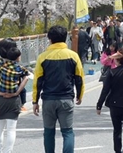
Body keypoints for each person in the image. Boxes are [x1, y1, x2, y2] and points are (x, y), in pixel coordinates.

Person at [32, 25, 85, 153]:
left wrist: (35, 101)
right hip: (66, 98)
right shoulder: (73, 56)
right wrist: (79, 95)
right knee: (67, 132)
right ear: (65, 38)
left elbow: (37, 81)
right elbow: (79, 78)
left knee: (49, 132)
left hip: (48, 99)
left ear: (49, 39)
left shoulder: (42, 57)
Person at [0, 45, 30, 153]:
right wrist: (17, 91)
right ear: (17, 57)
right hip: (13, 100)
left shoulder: (0, 65)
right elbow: (27, 76)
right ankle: (8, 151)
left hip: (0, 99)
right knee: (11, 129)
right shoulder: (20, 68)